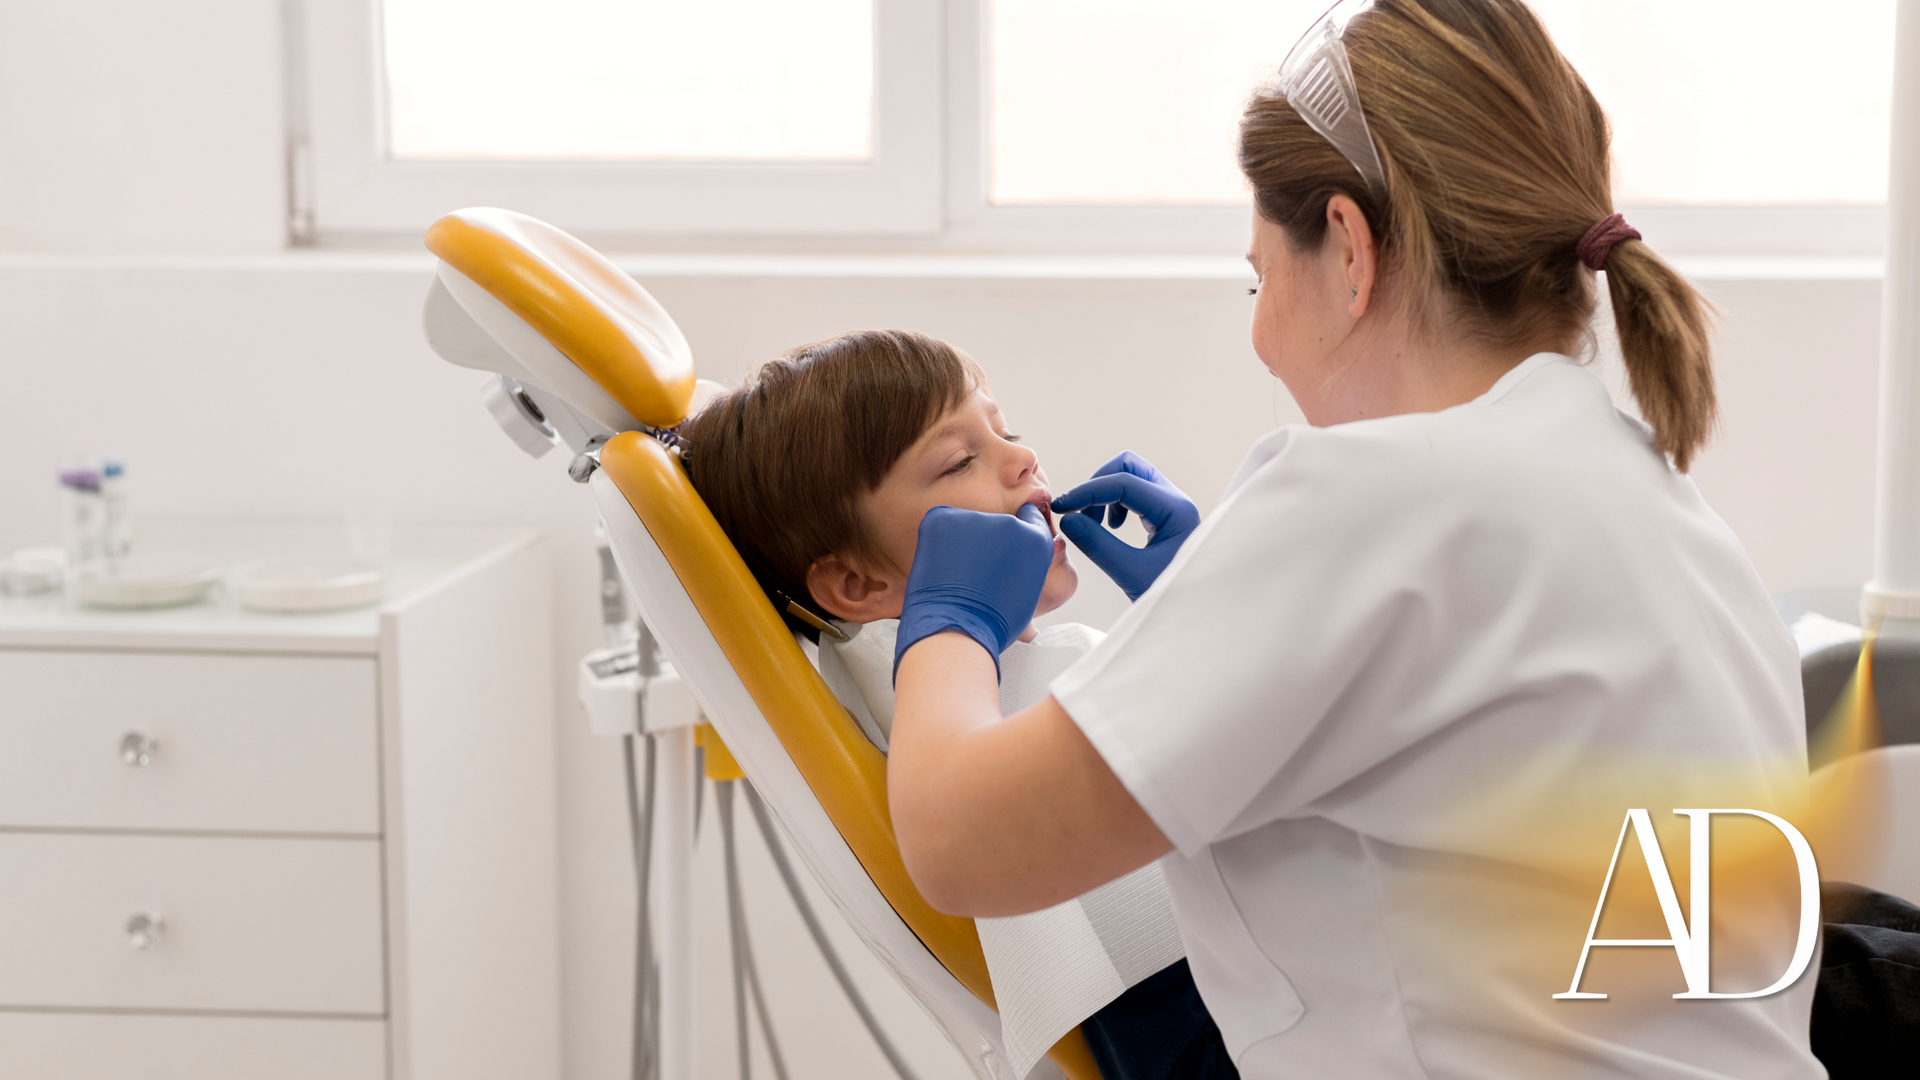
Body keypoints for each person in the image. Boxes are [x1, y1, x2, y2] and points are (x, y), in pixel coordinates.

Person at [881, 1, 1824, 1077]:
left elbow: (962, 846)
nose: (1261, 337)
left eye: (1259, 280)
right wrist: (1218, 617)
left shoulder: (1359, 500)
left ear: (1348, 247)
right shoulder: (1659, 503)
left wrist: (948, 618)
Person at [679, 328, 1236, 1080]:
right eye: (960, 459)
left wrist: (1199, 613)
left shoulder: (1017, 683)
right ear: (858, 587)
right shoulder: (979, 723)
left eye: (1005, 430)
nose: (1022, 458)